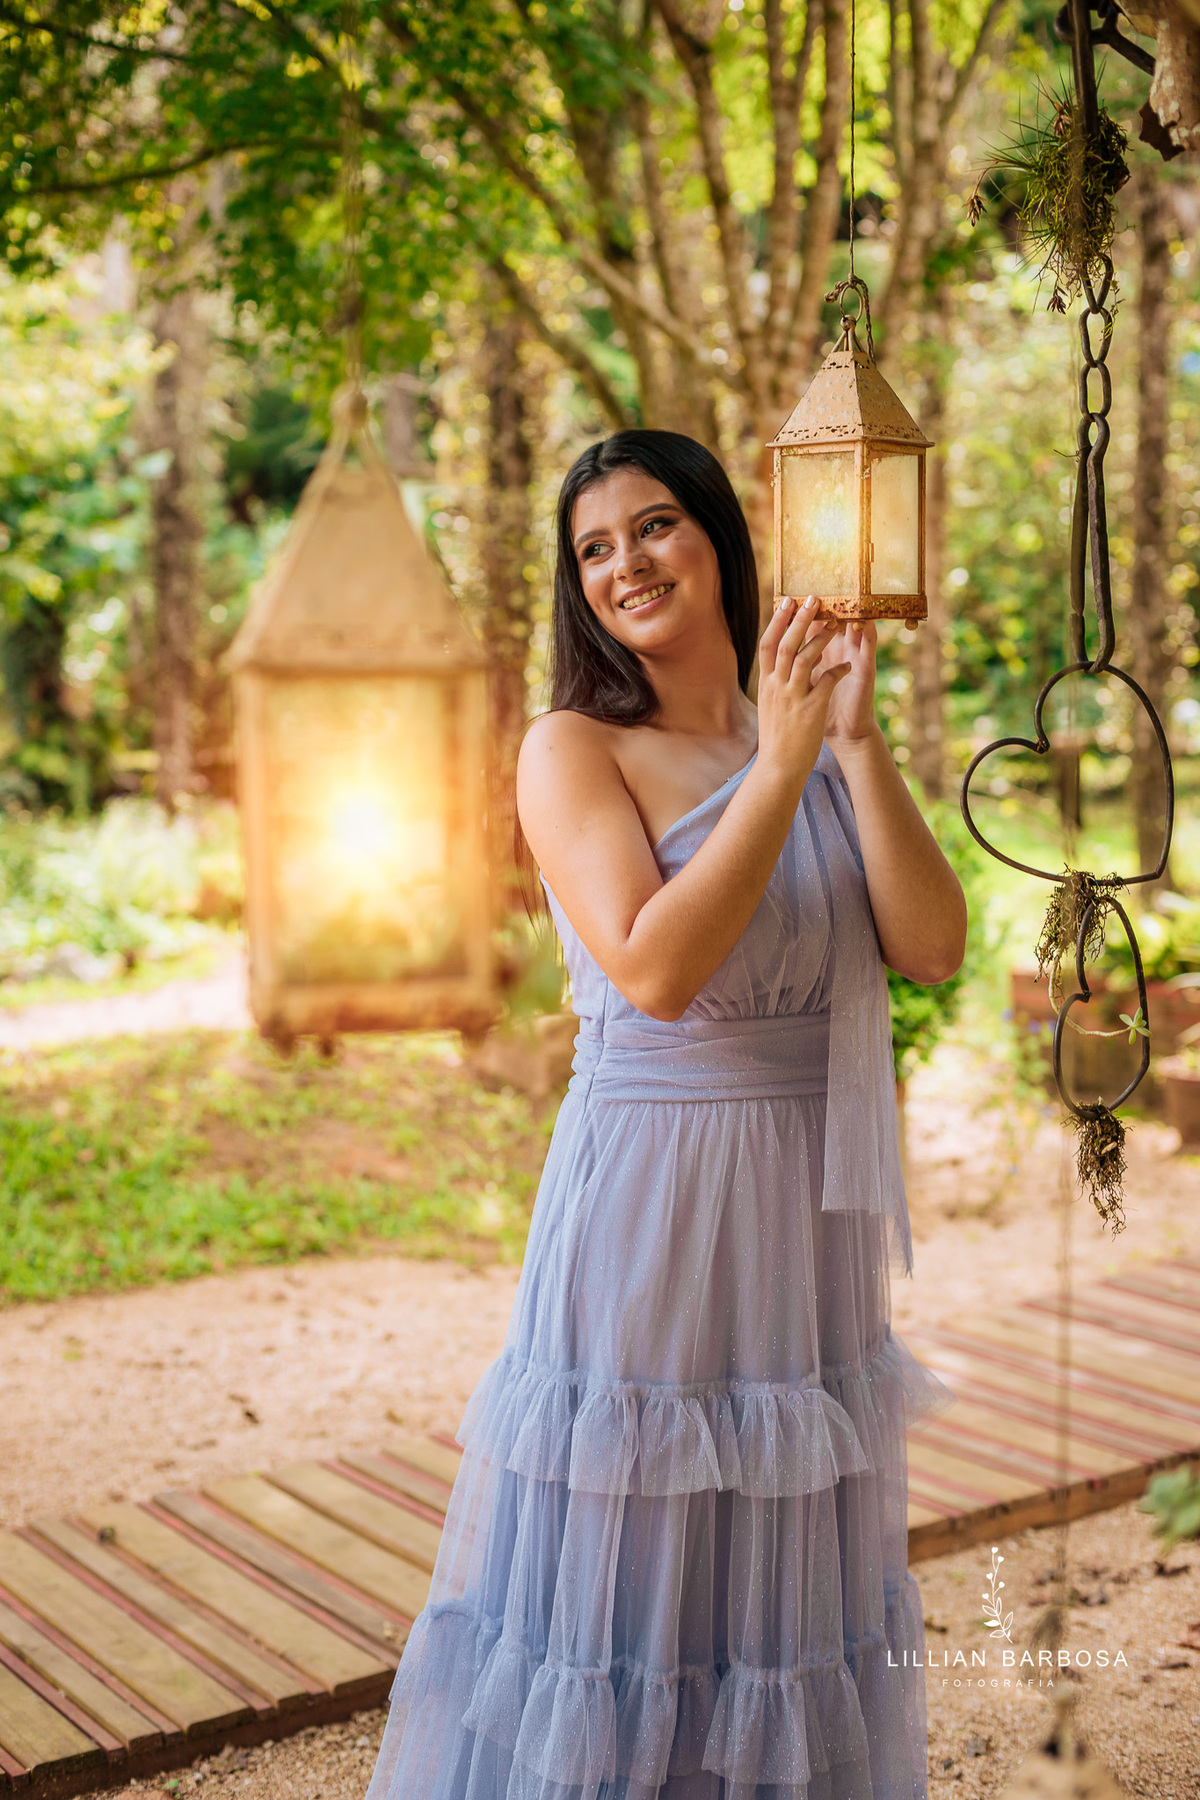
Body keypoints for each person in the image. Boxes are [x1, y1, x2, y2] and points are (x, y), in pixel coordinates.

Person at [366, 429, 964, 1800]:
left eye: (653, 527)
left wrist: (852, 745)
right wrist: (783, 767)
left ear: (718, 538)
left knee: (777, 1583)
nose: (625, 564)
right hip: (651, 1203)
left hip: (799, 1220)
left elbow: (931, 947)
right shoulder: (573, 748)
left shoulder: (804, 735)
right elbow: (654, 969)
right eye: (593, 549)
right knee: (636, 1570)